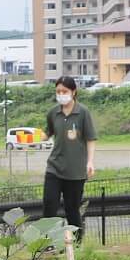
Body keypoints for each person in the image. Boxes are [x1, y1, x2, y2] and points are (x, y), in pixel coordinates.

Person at [41, 75, 96, 242]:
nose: (61, 94)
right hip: (54, 167)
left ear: (73, 92)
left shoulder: (83, 113)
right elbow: (47, 133)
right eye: (58, 91)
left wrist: (90, 162)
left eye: (64, 91)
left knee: (72, 209)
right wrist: (32, 136)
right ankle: (45, 244)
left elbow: (90, 139)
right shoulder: (53, 113)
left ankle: (77, 243)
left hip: (75, 171)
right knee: (49, 205)